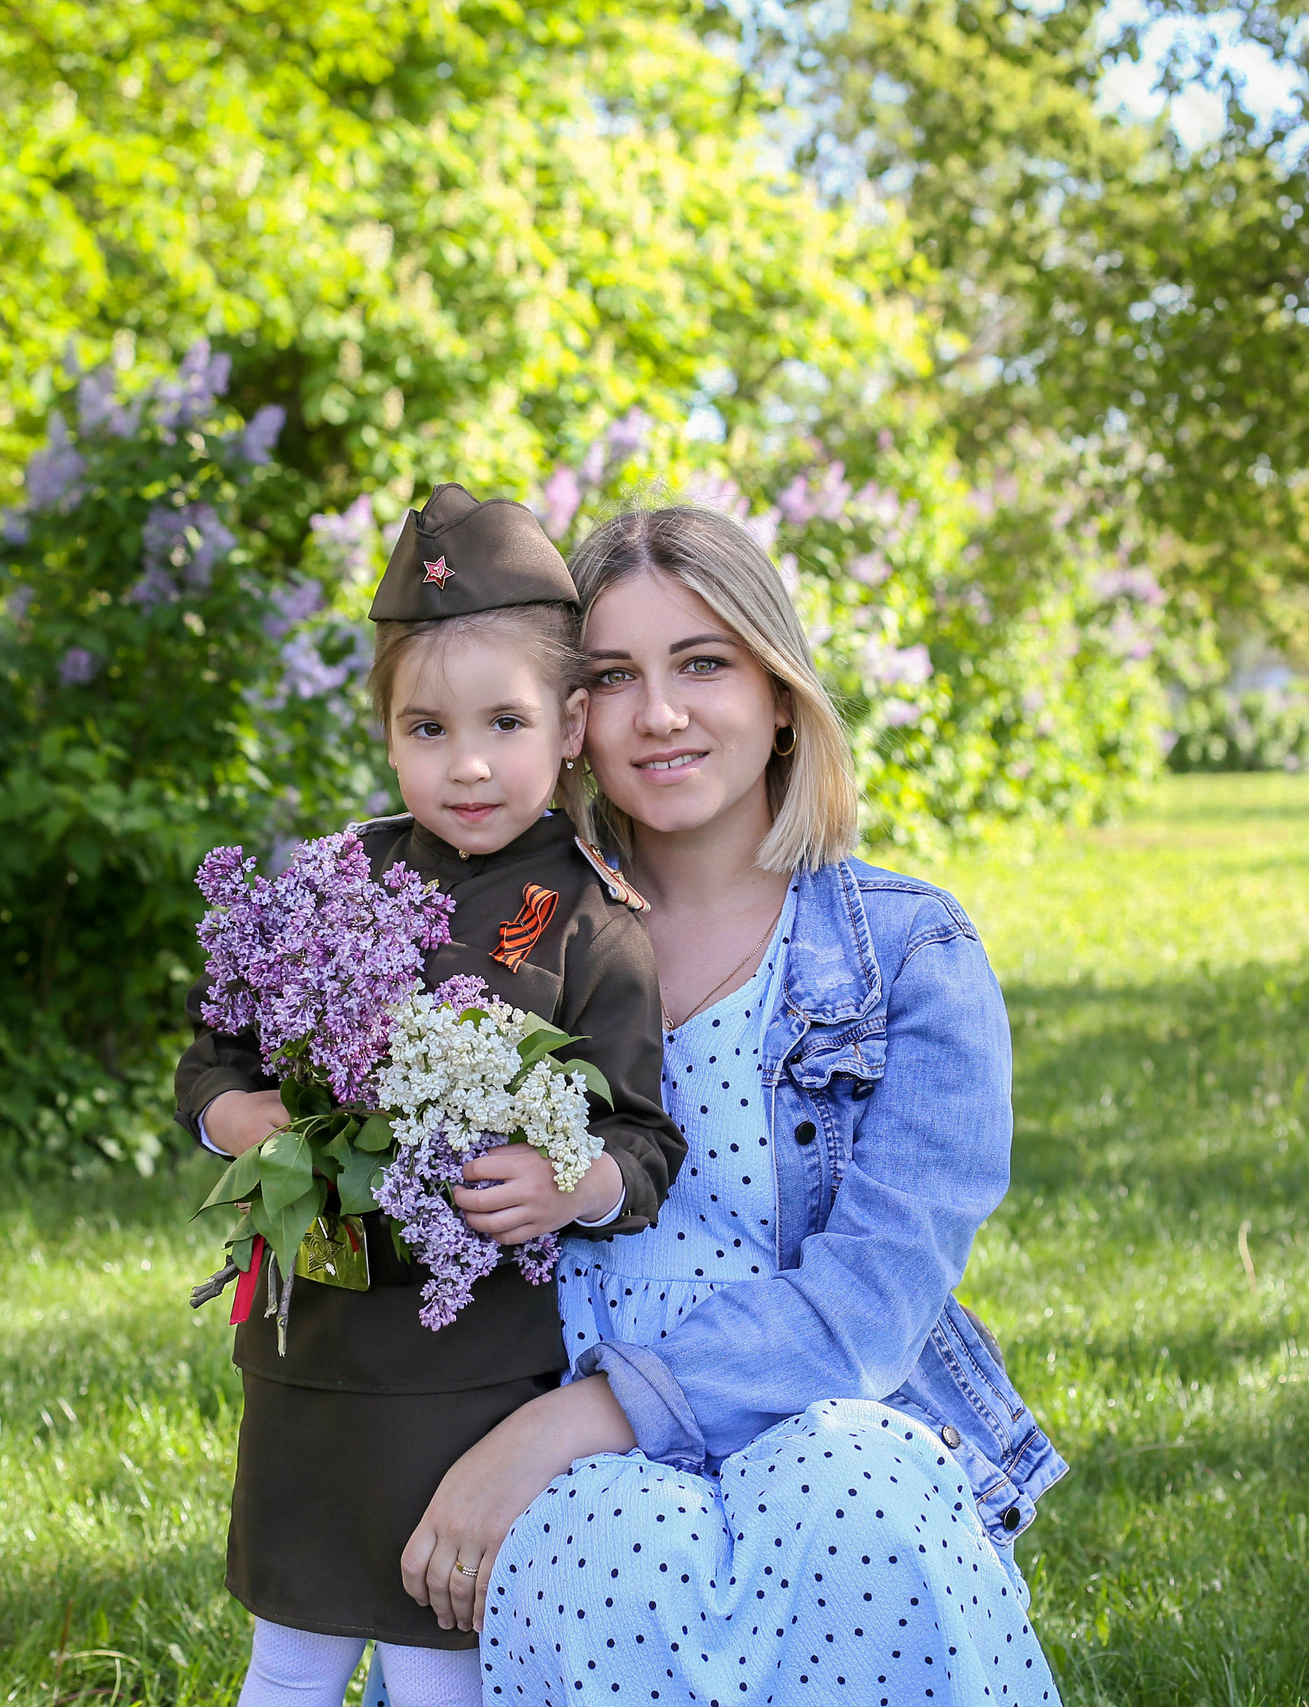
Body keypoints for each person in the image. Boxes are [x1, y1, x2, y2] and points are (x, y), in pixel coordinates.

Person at [396, 502, 1068, 1704]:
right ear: (569, 719)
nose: (659, 714)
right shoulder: (485, 951)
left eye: (702, 663)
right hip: (561, 1452)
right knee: (609, 1542)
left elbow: (873, 1302)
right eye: (614, 676)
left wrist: (583, 1418)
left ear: (779, 696)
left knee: (851, 1497)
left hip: (819, 1416)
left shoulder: (907, 956)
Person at [175, 483, 688, 1707]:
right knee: (290, 1646)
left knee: (435, 1656)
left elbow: (643, 1140)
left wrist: (573, 1182)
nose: (467, 765)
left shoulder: (590, 919)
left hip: (466, 1366)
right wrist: (238, 1119)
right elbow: (215, 1054)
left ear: (571, 725)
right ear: (387, 733)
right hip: (307, 1341)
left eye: (506, 723)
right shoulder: (332, 881)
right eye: (426, 728)